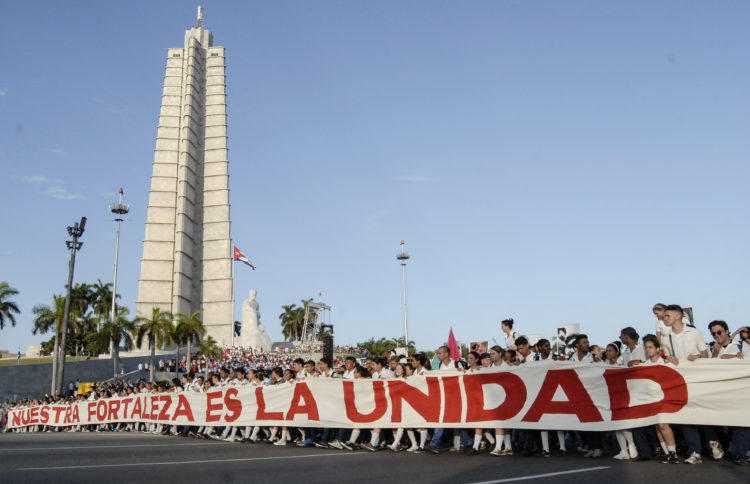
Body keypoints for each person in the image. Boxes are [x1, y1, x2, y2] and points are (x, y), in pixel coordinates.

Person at [642, 334, 679, 464]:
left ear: (658, 349)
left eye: (651, 347)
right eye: (646, 348)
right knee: (657, 425)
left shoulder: (665, 363)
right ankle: (666, 452)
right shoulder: (644, 365)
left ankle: (673, 453)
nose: (648, 350)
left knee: (663, 424)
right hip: (651, 399)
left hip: (664, 398)